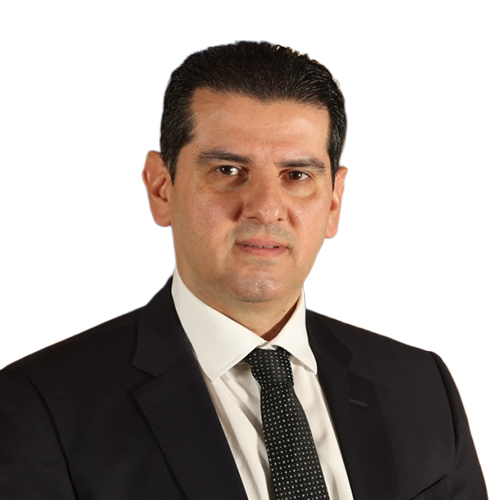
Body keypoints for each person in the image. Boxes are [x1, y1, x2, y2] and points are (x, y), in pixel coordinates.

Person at [0, 41, 487, 500]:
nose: (266, 208)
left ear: (334, 202)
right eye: (228, 170)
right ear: (162, 187)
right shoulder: (39, 408)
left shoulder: (423, 388)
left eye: (296, 175)